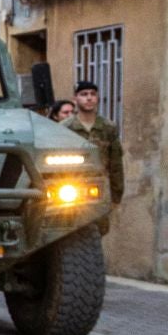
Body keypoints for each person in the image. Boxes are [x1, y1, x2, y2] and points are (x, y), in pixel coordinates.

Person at [66, 80, 125, 233]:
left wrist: (116, 195)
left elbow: (116, 163)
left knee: (98, 231)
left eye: (93, 94)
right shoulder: (65, 128)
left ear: (98, 98)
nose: (89, 98)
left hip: (99, 189)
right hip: (69, 189)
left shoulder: (108, 127)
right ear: (75, 99)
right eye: (84, 94)